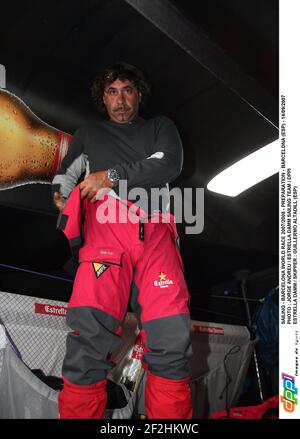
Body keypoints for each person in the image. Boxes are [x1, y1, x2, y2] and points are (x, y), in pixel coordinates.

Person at [52, 62, 193, 419]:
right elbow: (64, 176)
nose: (121, 99)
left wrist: (110, 176)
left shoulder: (161, 127)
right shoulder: (88, 132)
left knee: (172, 337)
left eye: (127, 90)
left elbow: (168, 164)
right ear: (103, 97)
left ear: (139, 94)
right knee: (88, 338)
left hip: (156, 230)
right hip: (105, 232)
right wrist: (63, 198)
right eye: (112, 91)